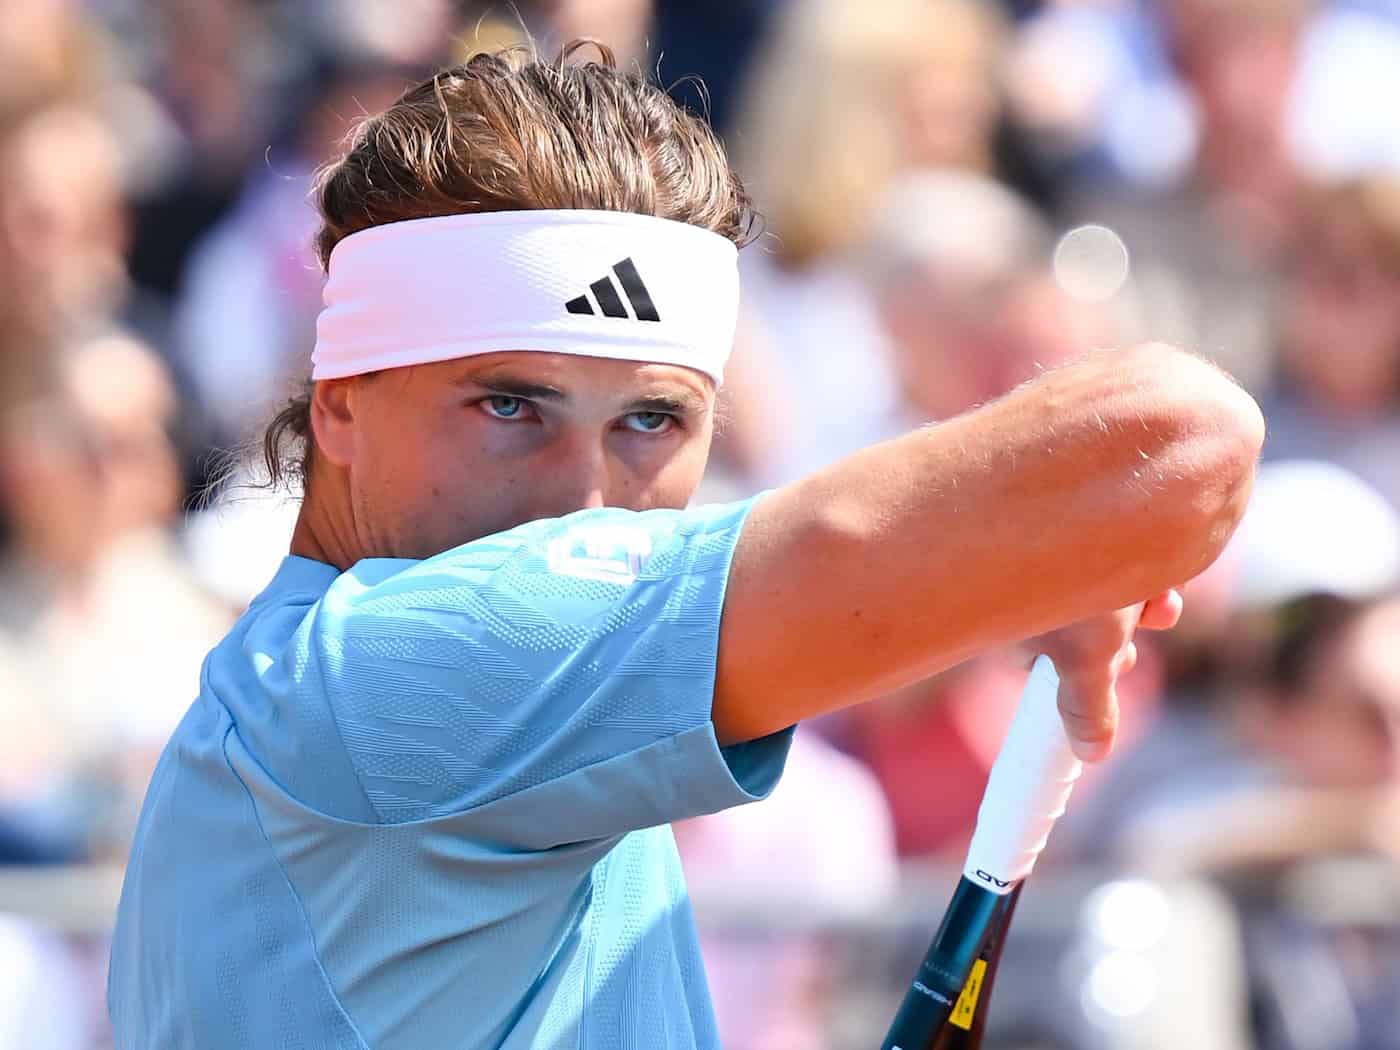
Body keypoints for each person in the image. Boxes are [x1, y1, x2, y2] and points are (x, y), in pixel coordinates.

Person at [107, 44, 1264, 1049]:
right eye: (509, 406)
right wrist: (1022, 550)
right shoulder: (389, 673)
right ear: (341, 402)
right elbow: (1176, 441)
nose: (583, 497)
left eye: (651, 421)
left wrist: (1010, 556)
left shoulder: (345, 705)